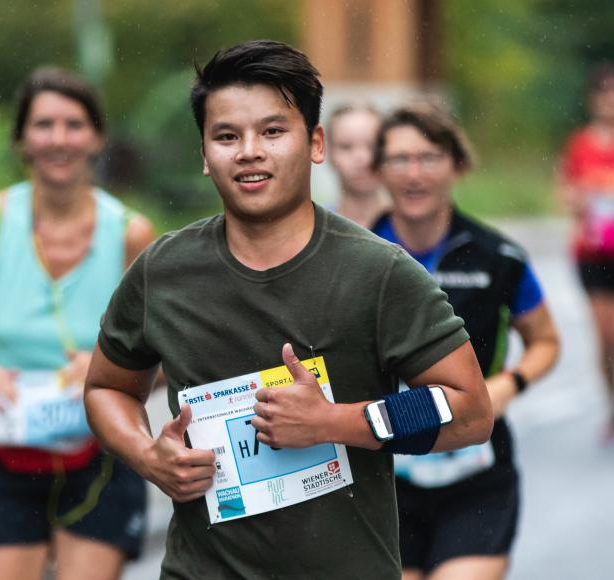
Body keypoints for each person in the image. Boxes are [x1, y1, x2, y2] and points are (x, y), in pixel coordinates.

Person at [84, 40, 494, 579]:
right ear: (205, 155)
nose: (249, 151)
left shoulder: (379, 273)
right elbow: (107, 387)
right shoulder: (164, 270)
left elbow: (469, 412)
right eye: (226, 136)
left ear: (315, 143)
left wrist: (333, 421)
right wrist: (146, 456)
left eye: (273, 132)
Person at [0, 67, 156, 580]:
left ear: (96, 138)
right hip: (2, 456)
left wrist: (106, 373)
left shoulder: (131, 235)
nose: (59, 139)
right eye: (43, 124)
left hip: (101, 456)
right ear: (21, 140)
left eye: (74, 125)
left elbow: (165, 357)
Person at [370, 102, 560, 580]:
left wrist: (508, 384)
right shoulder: (356, 256)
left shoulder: (499, 256)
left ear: (457, 165)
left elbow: (546, 341)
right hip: (385, 475)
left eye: (430, 157)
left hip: (477, 471)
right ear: (378, 170)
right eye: (400, 159)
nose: (414, 174)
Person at [556, 63, 614, 442]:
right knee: (607, 338)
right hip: (593, 254)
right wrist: (585, 195)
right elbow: (565, 192)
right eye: (604, 92)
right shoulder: (580, 144)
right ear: (593, 98)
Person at [327, 101, 390, 227]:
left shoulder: (407, 226)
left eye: (372, 146)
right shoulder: (315, 227)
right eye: (346, 147)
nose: (362, 158)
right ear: (327, 152)